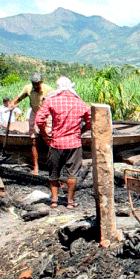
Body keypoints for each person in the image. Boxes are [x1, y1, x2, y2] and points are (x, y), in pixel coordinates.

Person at [35, 77, 90, 210]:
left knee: (54, 173)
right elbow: (90, 120)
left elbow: (39, 119)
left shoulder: (52, 100)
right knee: (72, 174)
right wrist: (81, 131)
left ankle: (54, 201)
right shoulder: (79, 102)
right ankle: (70, 202)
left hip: (56, 143)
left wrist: (45, 135)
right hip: (74, 143)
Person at [11, 72, 54, 174]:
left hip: (46, 114)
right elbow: (19, 98)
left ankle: (53, 165)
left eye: (37, 84)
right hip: (35, 113)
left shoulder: (49, 90)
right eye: (33, 83)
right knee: (34, 140)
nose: (35, 85)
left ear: (41, 82)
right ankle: (35, 166)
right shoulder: (28, 88)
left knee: (49, 139)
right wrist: (12, 103)